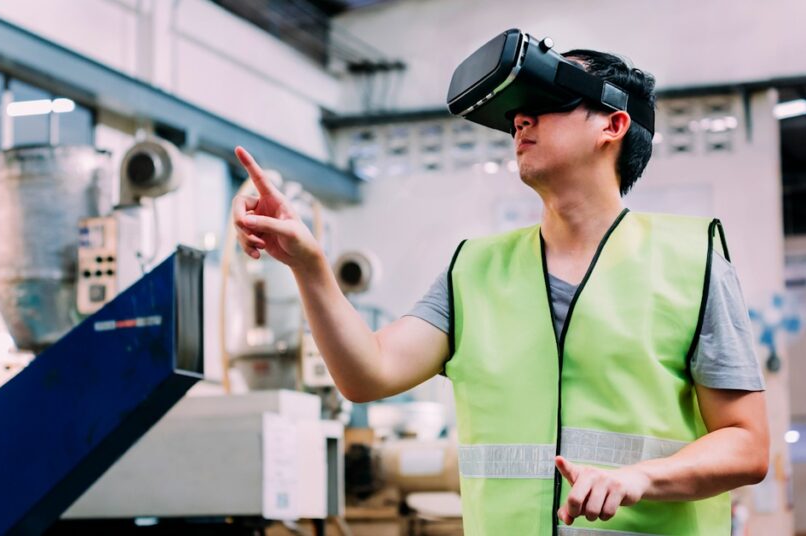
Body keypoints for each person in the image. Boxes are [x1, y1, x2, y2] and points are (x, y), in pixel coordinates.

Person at [231, 48, 769, 535]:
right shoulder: (474, 270)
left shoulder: (691, 261)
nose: (520, 119)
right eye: (515, 111)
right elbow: (367, 373)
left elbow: (747, 443)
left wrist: (642, 479)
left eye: (545, 103)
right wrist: (307, 263)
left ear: (613, 124)